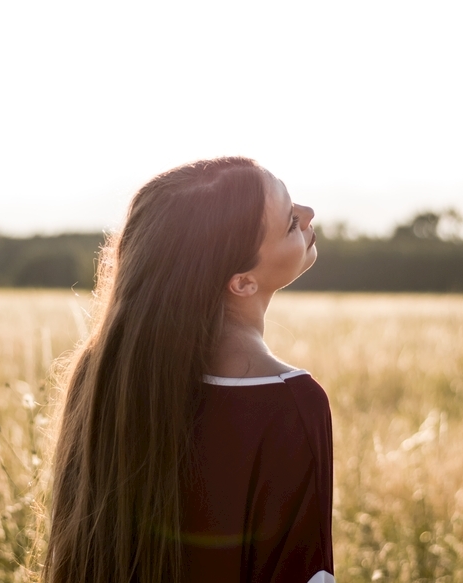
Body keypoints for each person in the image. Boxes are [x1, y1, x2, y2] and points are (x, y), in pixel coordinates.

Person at [43, 156, 334, 583]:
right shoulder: (290, 404)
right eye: (290, 221)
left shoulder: (101, 374)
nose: (308, 216)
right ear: (242, 282)